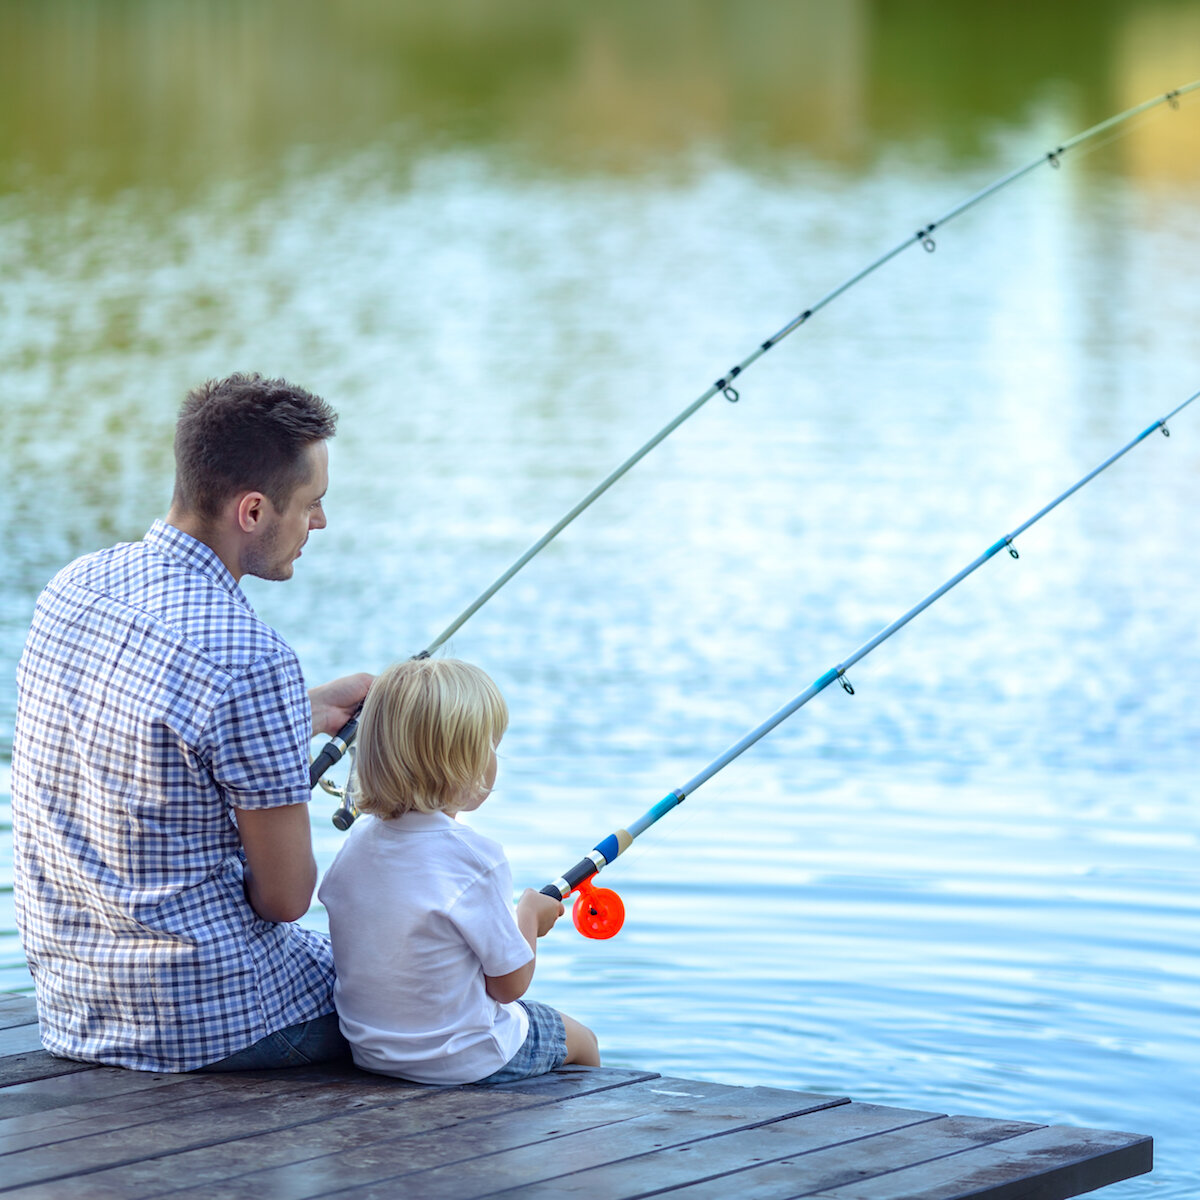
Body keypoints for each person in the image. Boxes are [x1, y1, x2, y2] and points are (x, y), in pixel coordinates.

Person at [11, 372, 372, 1072]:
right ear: (254, 511)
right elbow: (285, 899)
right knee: (444, 999)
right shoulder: (251, 658)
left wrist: (311, 708)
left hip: (73, 1005)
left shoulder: (74, 587)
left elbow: (147, 732)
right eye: (313, 504)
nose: (320, 524)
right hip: (204, 1020)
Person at [318, 656, 600, 1085]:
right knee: (583, 1041)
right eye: (490, 747)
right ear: (460, 766)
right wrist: (529, 914)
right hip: (466, 1059)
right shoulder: (475, 858)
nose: (494, 760)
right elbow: (509, 986)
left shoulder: (357, 843)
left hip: (372, 1052)